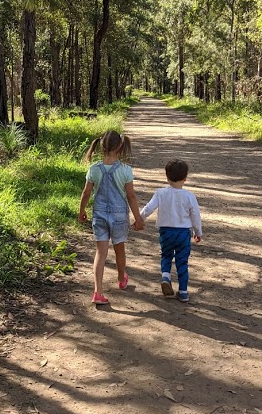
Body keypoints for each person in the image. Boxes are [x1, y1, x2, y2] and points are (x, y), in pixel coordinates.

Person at [78, 130, 144, 306]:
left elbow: (86, 193)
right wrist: (138, 218)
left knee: (101, 252)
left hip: (99, 215)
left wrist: (81, 210)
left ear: (101, 146)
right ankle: (122, 278)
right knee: (119, 248)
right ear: (121, 146)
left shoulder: (94, 169)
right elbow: (131, 196)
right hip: (119, 216)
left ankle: (98, 292)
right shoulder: (125, 170)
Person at [141, 158, 202, 303]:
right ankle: (183, 292)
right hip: (183, 234)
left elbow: (149, 207)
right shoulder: (189, 196)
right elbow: (195, 215)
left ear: (167, 177)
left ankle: (166, 277)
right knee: (182, 262)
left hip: (166, 232)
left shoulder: (161, 193)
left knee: (166, 255)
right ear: (185, 178)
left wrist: (139, 219)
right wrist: (198, 232)